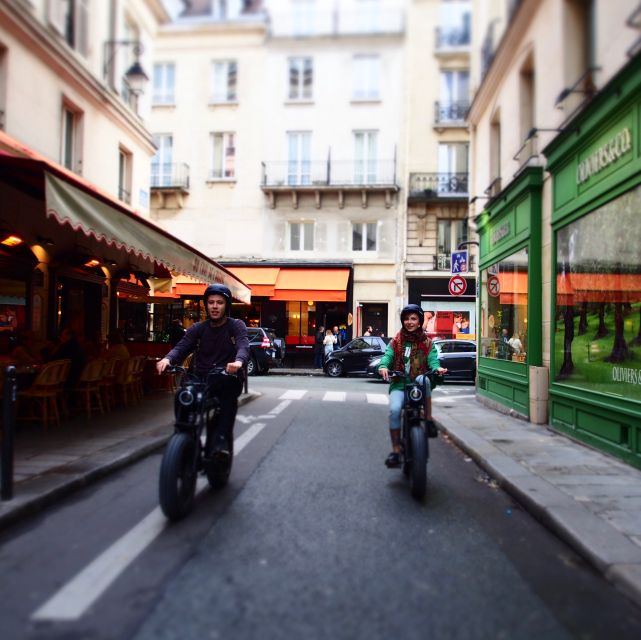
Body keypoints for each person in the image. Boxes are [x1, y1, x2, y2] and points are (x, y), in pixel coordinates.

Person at [157, 284, 249, 462]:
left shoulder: (236, 326)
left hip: (226, 379)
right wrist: (167, 359)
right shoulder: (198, 328)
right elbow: (182, 347)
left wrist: (238, 362)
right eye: (211, 302)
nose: (215, 306)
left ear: (226, 305)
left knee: (227, 397)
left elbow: (243, 345)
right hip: (200, 379)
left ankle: (221, 440)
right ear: (206, 305)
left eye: (219, 303)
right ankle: (184, 434)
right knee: (183, 395)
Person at [377, 304, 447, 468]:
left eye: (413, 318)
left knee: (426, 380)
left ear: (420, 321)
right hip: (399, 385)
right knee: (394, 411)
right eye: (406, 319)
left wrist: (437, 369)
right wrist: (383, 366)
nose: (409, 322)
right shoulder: (396, 341)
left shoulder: (428, 343)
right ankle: (395, 450)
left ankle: (428, 419)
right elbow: (387, 356)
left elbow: (433, 361)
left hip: (417, 386)